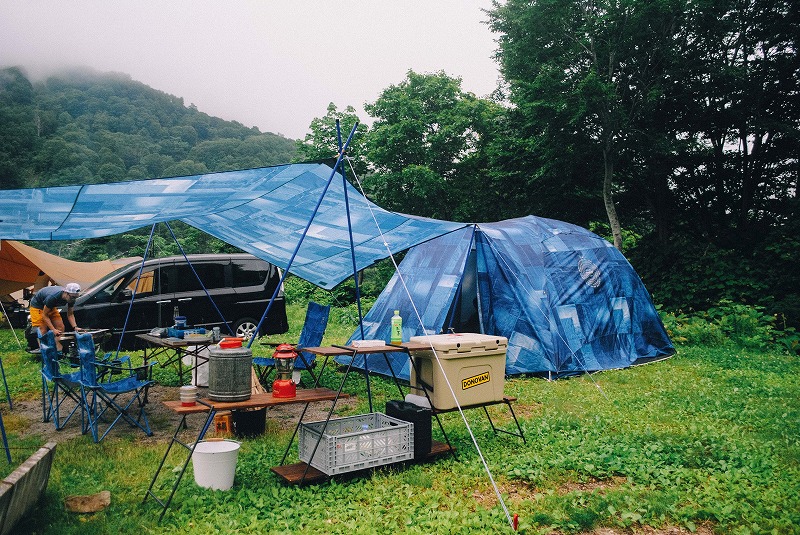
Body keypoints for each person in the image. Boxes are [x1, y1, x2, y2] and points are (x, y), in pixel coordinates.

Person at [30, 282, 82, 351]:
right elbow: (44, 315)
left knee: (60, 327)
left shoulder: (71, 298)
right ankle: (44, 352)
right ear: (66, 293)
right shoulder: (53, 297)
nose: (73, 299)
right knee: (42, 329)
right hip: (38, 306)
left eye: (76, 297)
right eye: (72, 297)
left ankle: (58, 351)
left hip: (50, 306)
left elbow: (70, 314)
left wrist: (75, 327)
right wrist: (53, 329)